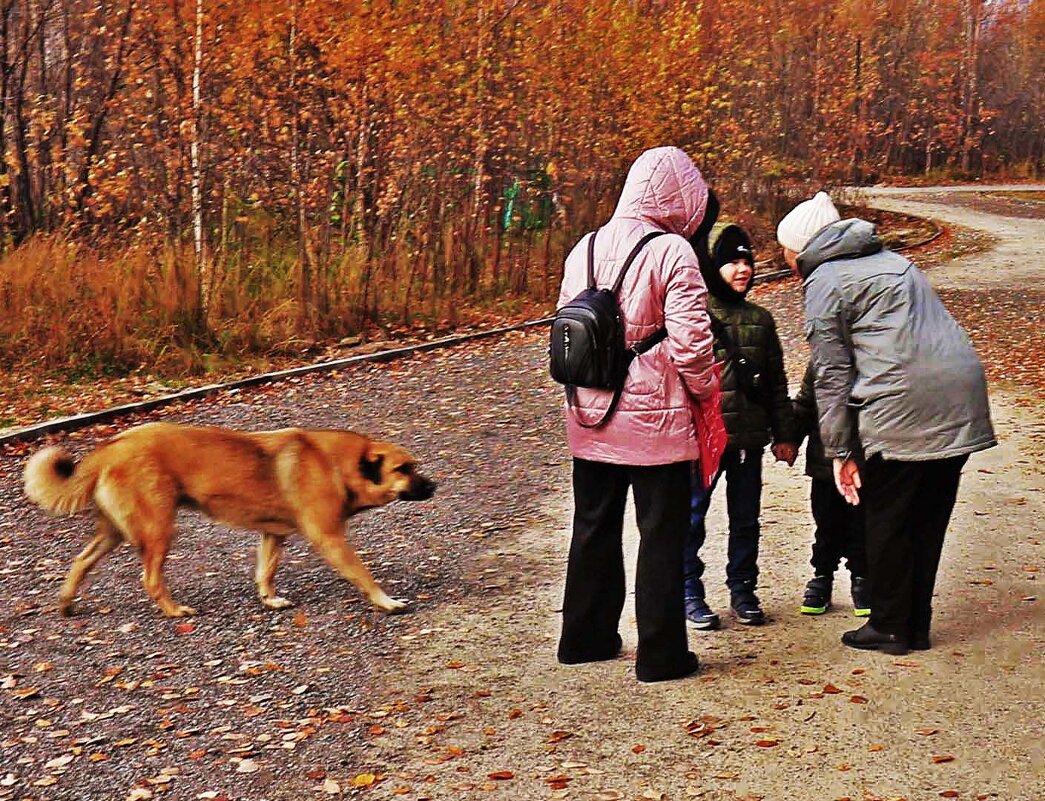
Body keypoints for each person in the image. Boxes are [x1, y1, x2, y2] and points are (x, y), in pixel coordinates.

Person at [777, 191, 996, 656]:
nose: (785, 258)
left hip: (902, 404)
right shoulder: (896, 261)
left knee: (886, 517)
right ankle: (915, 624)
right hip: (958, 398)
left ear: (801, 247)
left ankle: (890, 626)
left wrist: (840, 451)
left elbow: (831, 374)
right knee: (927, 517)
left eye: (785, 250)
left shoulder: (825, 280)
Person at [556, 146, 720, 683]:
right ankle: (661, 655)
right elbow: (693, 345)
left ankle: (585, 637)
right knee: (660, 535)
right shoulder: (673, 251)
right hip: (657, 421)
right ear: (680, 197)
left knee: (593, 526)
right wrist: (703, 393)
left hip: (590, 410)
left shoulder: (584, 245)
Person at [682, 223, 796, 630]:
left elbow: (777, 383)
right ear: (714, 268)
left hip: (749, 441)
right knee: (692, 518)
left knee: (745, 519)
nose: (742, 269)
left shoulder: (761, 321)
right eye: (732, 261)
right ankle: (689, 592)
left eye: (746, 261)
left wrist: (784, 435)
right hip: (704, 443)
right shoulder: (695, 315)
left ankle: (743, 590)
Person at [791, 359, 870, 617]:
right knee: (826, 524)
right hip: (825, 462)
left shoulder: (879, 357)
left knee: (864, 524)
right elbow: (805, 405)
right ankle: (822, 576)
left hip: (868, 460)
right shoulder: (822, 362)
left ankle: (862, 578)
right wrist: (788, 436)